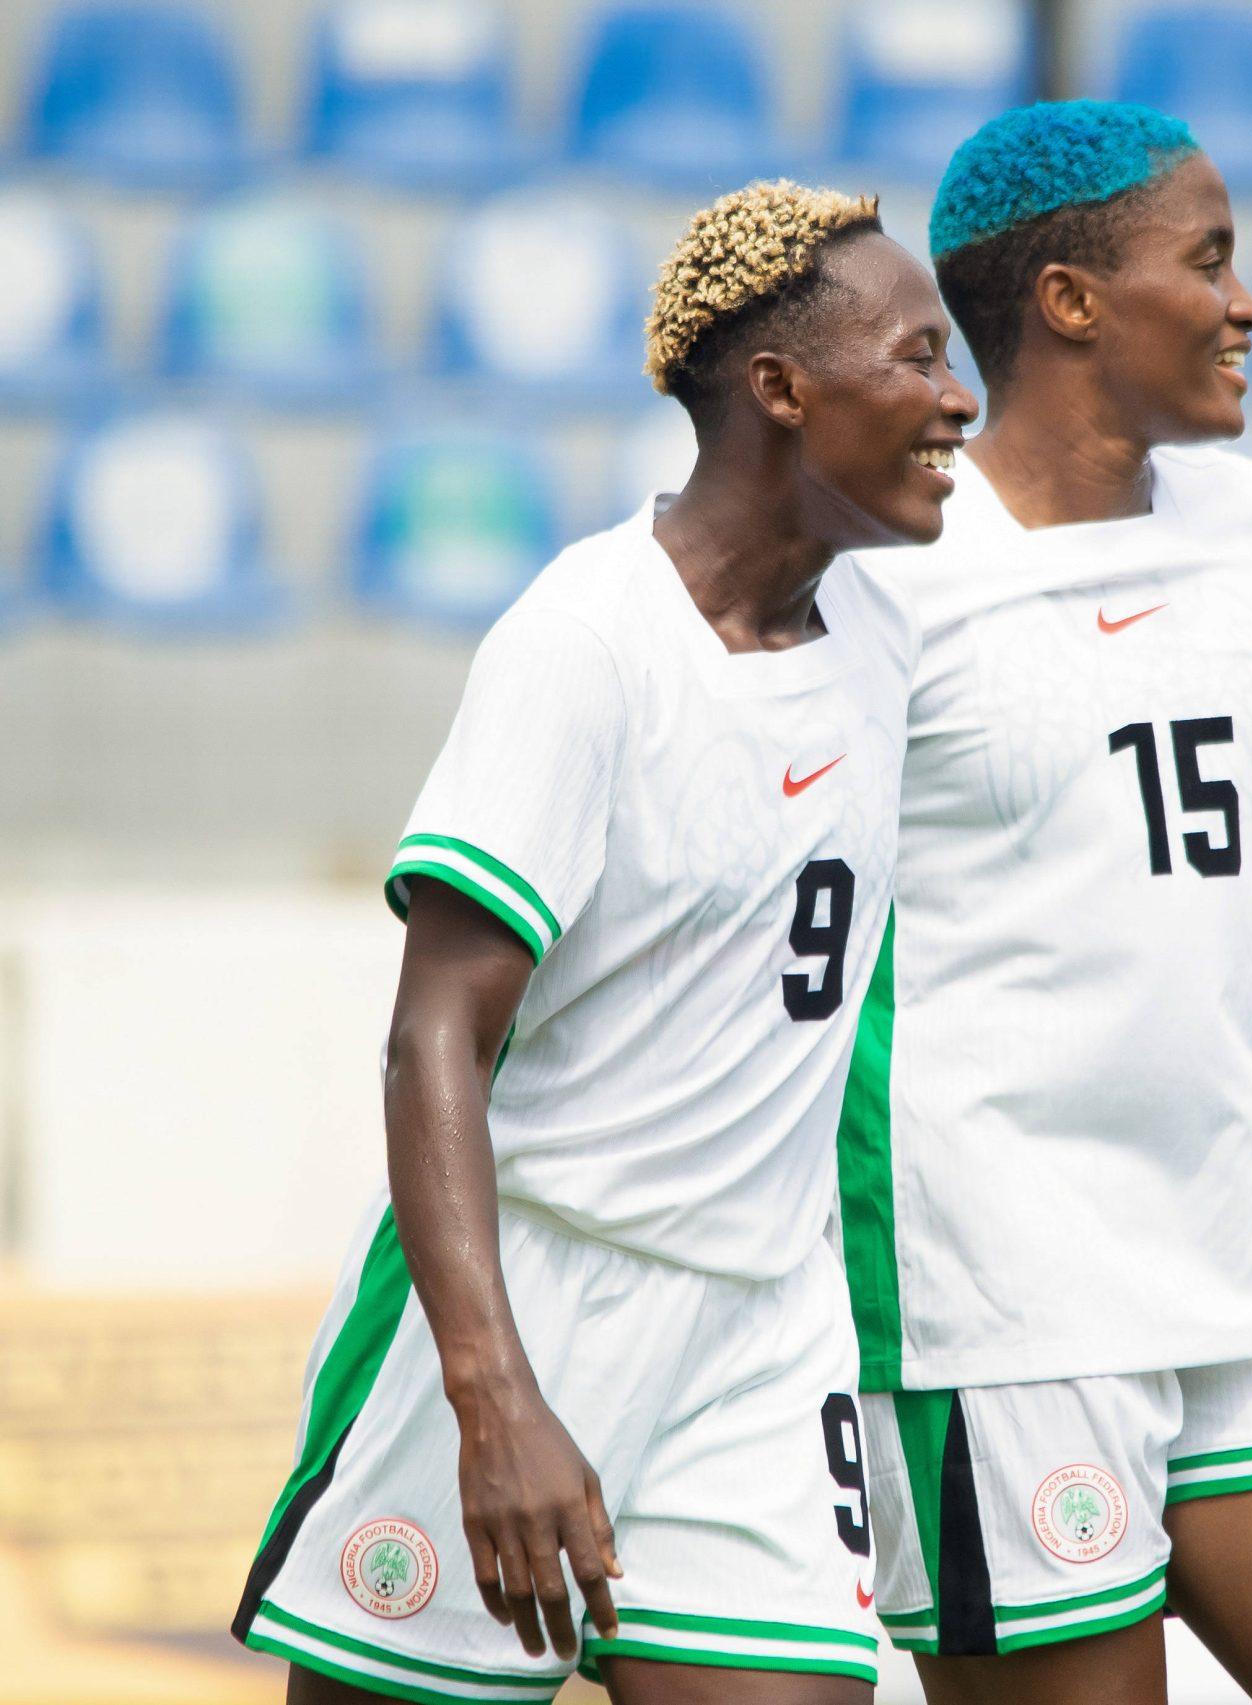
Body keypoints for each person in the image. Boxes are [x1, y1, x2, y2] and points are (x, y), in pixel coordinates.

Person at [233, 181, 975, 1703]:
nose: (957, 400)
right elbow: (433, 1032)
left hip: (764, 1334)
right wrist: (495, 1396)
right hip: (525, 1305)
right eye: (916, 357)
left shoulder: (891, 640)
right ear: (780, 389)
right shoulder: (583, 645)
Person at [838, 102, 1252, 1705]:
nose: (1246, 301)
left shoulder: (1245, 524)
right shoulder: (884, 573)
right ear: (1072, 302)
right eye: (1207, 260)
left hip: (1248, 1276)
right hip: (997, 1308)